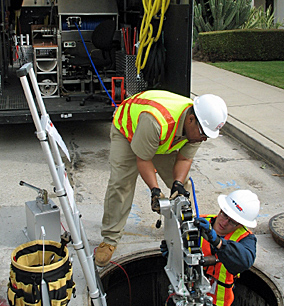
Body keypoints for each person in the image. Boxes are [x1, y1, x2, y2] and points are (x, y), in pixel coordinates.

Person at [94, 90, 228, 267]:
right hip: (129, 131)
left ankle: (187, 231)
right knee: (121, 184)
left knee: (183, 189)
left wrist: (177, 184)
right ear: (190, 120)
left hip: (162, 137)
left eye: (208, 136)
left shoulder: (198, 125)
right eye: (203, 133)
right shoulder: (156, 121)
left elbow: (185, 159)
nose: (204, 139)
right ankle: (110, 238)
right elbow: (143, 159)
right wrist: (155, 191)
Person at [155, 189, 260, 306]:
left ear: (240, 224)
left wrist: (217, 242)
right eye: (224, 215)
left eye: (232, 222)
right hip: (183, 294)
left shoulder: (245, 239)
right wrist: (172, 253)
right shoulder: (199, 223)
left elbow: (243, 261)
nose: (224, 222)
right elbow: (179, 247)